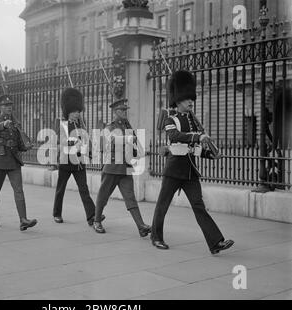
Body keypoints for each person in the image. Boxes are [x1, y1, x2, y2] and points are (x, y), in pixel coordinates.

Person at [150, 70, 234, 255]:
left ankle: (215, 242)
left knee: (199, 207)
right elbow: (175, 136)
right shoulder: (171, 119)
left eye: (191, 98)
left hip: (189, 172)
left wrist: (211, 155)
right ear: (178, 100)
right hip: (173, 170)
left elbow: (194, 148)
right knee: (162, 205)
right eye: (187, 98)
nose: (190, 101)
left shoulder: (193, 121)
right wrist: (198, 136)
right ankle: (156, 237)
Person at [93, 98, 151, 237]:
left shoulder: (127, 125)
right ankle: (96, 221)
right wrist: (128, 139)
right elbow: (111, 139)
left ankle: (141, 226)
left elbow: (135, 141)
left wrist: (139, 151)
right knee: (103, 195)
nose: (125, 112)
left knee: (130, 197)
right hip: (113, 166)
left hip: (126, 166)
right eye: (122, 110)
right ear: (115, 111)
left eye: (125, 110)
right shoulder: (110, 126)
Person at [52, 88, 103, 226]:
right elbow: (61, 141)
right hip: (65, 162)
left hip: (79, 162)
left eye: (77, 111)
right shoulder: (61, 123)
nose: (76, 114)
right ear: (68, 111)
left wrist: (90, 149)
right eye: (74, 111)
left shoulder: (82, 124)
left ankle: (91, 215)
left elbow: (86, 141)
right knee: (60, 189)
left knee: (84, 189)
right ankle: (57, 213)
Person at [0, 94, 37, 231]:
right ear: (0, 108)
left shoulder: (16, 122)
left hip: (13, 160)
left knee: (19, 190)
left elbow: (19, 142)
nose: (9, 108)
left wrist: (26, 146)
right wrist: (3, 124)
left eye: (10, 105)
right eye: (5, 106)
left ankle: (23, 220)